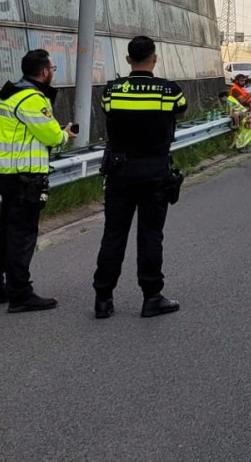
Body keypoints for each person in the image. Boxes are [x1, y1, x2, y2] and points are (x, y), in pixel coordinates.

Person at [92, 36, 184, 320]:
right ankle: (152, 297)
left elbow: (109, 112)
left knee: (113, 235)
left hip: (119, 171)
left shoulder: (112, 91)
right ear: (153, 59)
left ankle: (103, 299)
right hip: (155, 171)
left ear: (128, 59)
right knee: (150, 235)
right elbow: (179, 111)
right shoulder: (169, 91)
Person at [0, 48, 77, 313]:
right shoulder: (34, 99)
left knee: (4, 232)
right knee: (22, 235)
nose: (52, 74)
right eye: (52, 70)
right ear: (45, 72)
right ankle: (20, 294)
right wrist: (64, 134)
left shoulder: (6, 93)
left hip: (4, 173)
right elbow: (50, 136)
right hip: (26, 175)